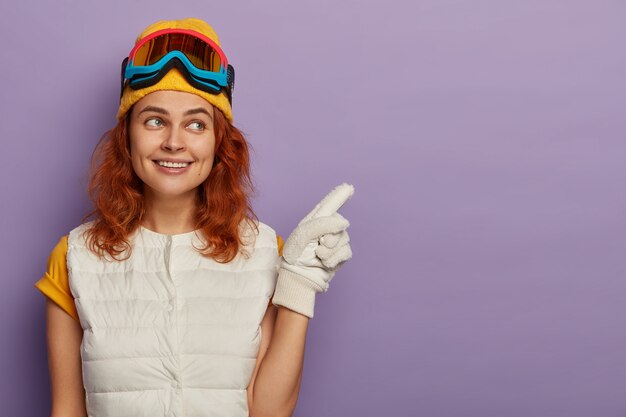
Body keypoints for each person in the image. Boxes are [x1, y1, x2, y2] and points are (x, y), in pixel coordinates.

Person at [34, 18, 354, 417]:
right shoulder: (73, 257)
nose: (173, 141)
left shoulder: (266, 252)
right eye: (154, 120)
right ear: (127, 135)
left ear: (219, 142)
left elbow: (268, 412)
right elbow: (66, 410)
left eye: (196, 124)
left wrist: (300, 287)